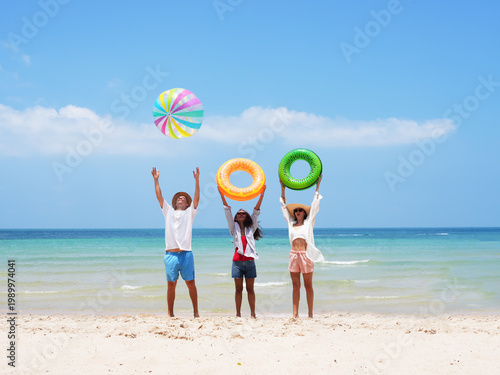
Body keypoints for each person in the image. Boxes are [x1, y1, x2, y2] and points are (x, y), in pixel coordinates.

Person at [152, 166, 200, 318]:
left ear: (187, 204)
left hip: (186, 254)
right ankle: (170, 313)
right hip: (171, 254)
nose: (181, 198)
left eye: (184, 199)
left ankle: (196, 312)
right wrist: (156, 180)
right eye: (179, 198)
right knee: (171, 285)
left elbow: (197, 198)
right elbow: (159, 197)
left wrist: (197, 181)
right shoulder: (168, 211)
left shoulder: (189, 213)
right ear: (175, 203)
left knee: (190, 284)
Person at [218, 185, 266, 318]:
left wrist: (261, 195)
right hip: (237, 262)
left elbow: (256, 211)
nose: (240, 214)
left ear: (246, 216)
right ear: (236, 217)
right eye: (238, 213)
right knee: (238, 289)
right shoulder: (233, 228)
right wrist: (222, 194)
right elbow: (227, 211)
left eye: (243, 213)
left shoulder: (252, 227)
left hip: (250, 262)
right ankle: (238, 314)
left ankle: (252, 314)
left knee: (250, 289)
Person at [280, 175, 324, 318]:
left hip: (306, 255)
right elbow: (283, 207)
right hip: (293, 255)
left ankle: (310, 314)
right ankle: (295, 314)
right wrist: (282, 189)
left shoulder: (309, 223)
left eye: (300, 210)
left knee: (308, 286)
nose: (298, 212)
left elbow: (315, 205)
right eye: (296, 210)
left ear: (305, 213)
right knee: (295, 286)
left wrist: (317, 186)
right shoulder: (290, 224)